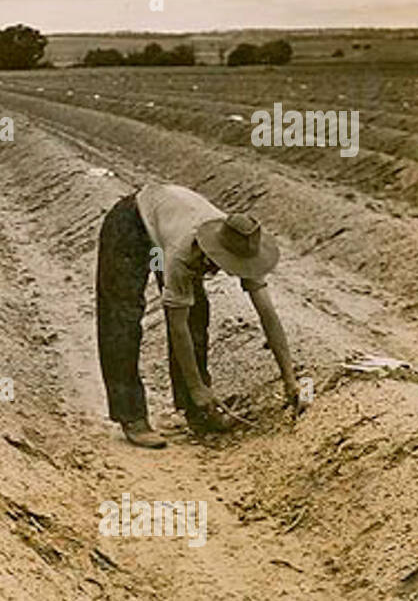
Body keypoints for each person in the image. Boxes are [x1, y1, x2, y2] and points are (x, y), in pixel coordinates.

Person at [95, 183, 300, 449]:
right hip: (132, 224)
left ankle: (196, 410)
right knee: (122, 316)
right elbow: (176, 325)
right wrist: (196, 387)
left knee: (197, 315)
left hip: (165, 223)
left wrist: (290, 378)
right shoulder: (183, 252)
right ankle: (132, 415)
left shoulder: (244, 244)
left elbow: (268, 316)